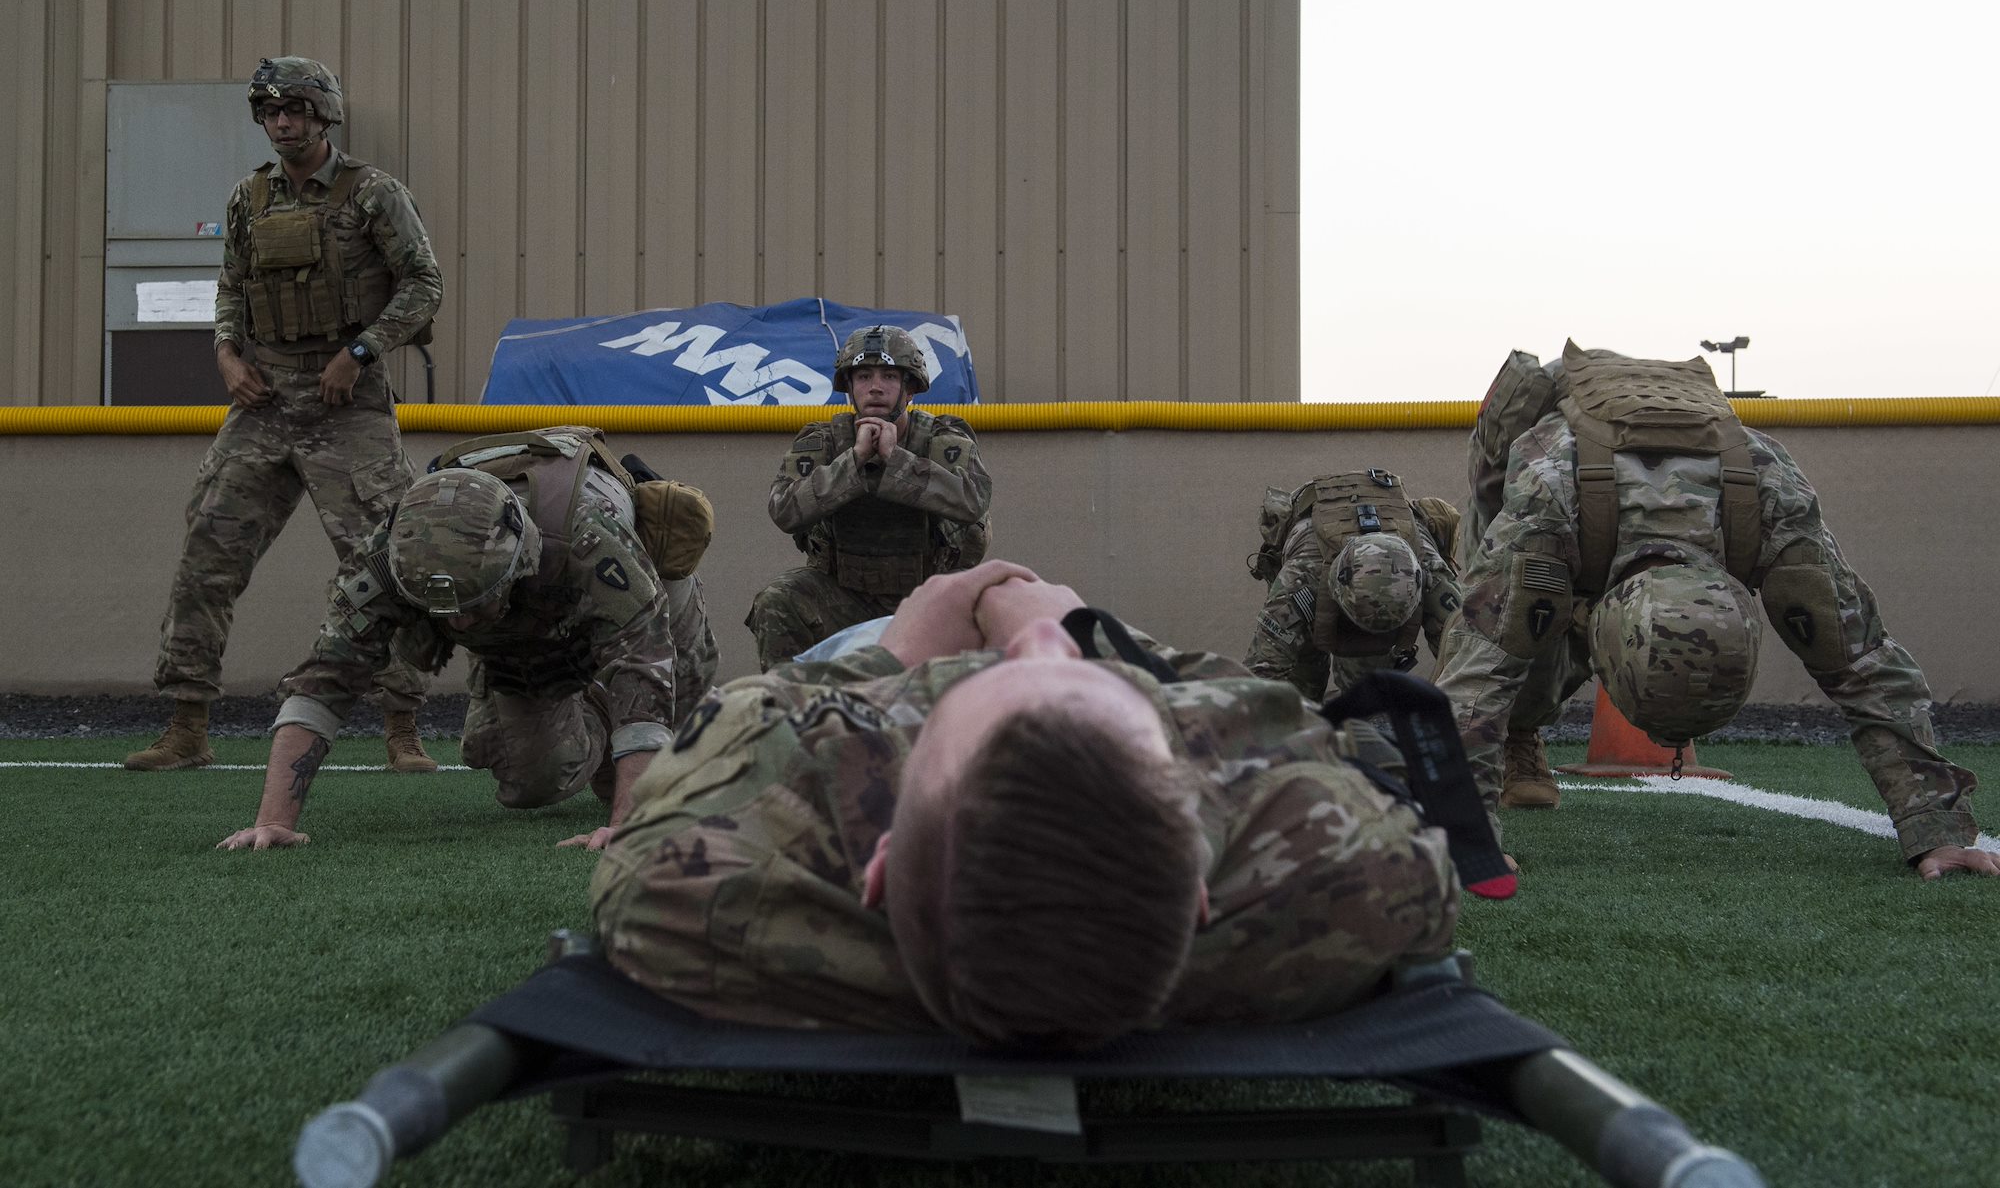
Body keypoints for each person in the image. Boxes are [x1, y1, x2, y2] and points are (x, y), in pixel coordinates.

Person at [592, 561, 1461, 1049]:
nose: (1035, 644)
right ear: (1200, 889)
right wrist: (1101, 643)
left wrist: (895, 659)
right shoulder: (1371, 883)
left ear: (882, 868)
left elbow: (713, 750)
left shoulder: (673, 893)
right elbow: (1287, 726)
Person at [1434, 343, 1999, 879]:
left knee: (1522, 629)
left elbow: (1864, 660)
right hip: (1541, 444)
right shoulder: (1546, 500)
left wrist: (1941, 830)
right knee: (1515, 632)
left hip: (1673, 454)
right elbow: (1476, 675)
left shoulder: (1773, 497)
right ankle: (1521, 734)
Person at [126, 56, 442, 774]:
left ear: (323, 114)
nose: (281, 122)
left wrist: (359, 352)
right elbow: (231, 284)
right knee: (208, 550)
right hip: (264, 401)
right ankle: (187, 725)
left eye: (294, 109)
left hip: (346, 404)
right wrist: (227, 356)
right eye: (269, 112)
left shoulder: (374, 195)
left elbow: (425, 282)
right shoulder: (249, 197)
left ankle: (402, 725)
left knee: (388, 561)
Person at [216, 427, 719, 852]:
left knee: (677, 703)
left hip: (638, 586)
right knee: (530, 784)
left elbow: (645, 667)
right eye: (444, 615)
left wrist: (629, 825)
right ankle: (593, 718)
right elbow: (324, 680)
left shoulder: (591, 538)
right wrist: (274, 821)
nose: (457, 628)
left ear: (520, 565)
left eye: (474, 605)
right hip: (527, 626)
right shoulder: (392, 557)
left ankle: (633, 759)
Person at [745, 324, 992, 669]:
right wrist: (854, 461)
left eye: (889, 376)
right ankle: (791, 710)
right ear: (849, 388)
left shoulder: (941, 438)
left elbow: (973, 499)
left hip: (925, 596)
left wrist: (898, 461)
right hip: (842, 596)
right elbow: (785, 510)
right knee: (778, 599)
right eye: (863, 376)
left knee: (990, 607)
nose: (875, 387)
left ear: (910, 389)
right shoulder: (825, 441)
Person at [1244, 469, 1465, 703]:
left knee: (1368, 693)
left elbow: (1468, 659)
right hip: (1314, 543)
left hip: (1387, 537)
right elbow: (1261, 671)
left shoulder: (1431, 571)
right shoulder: (1300, 580)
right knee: (1300, 684)